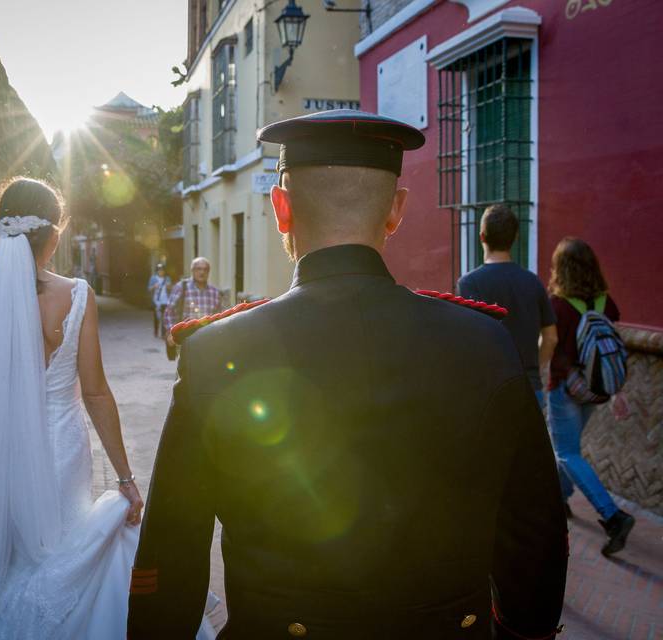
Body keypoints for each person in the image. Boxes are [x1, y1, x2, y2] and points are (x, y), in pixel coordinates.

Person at [128, 110, 567, 639]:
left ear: (281, 208)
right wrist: (523, 628)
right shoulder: (484, 341)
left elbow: (174, 548)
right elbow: (535, 533)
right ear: (396, 211)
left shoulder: (217, 350)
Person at [0, 177, 214, 639]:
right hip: (62, 451)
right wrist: (125, 478)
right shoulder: (76, 294)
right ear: (52, 232)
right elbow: (97, 393)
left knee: (14, 563)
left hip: (3, 460)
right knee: (63, 551)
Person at [546, 237, 634, 555]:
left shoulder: (557, 305)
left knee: (566, 452)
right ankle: (562, 499)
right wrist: (617, 392)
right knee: (568, 449)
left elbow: (555, 349)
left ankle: (613, 517)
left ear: (562, 269)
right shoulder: (604, 302)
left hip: (566, 389)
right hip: (595, 390)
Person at [458, 204, 557, 409]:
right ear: (515, 238)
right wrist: (535, 368)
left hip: (489, 390)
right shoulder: (533, 282)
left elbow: (468, 340)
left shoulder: (469, 283)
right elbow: (551, 337)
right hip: (529, 387)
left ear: (482, 237)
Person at [163, 257, 224, 345]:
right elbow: (169, 312)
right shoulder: (181, 288)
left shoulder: (214, 292)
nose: (202, 272)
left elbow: (220, 316)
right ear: (192, 270)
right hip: (185, 340)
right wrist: (171, 334)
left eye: (205, 269)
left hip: (207, 340)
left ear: (208, 272)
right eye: (198, 269)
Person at [148, 263, 173, 338]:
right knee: (157, 317)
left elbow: (171, 289)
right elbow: (149, 289)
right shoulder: (153, 278)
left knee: (165, 318)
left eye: (162, 270)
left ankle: (163, 334)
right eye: (159, 270)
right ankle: (156, 331)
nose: (161, 271)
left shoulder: (167, 278)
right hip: (157, 301)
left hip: (166, 301)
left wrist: (169, 287)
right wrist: (154, 286)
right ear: (157, 271)